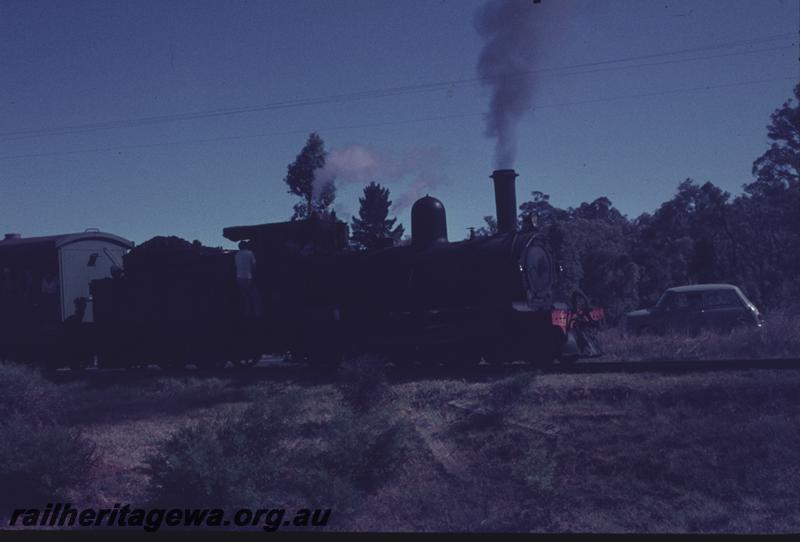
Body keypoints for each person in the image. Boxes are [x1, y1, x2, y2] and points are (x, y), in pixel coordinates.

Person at [235, 241, 262, 318]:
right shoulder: (250, 253)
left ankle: (247, 314)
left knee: (245, 298)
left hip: (239, 278)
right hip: (248, 277)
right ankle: (258, 315)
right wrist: (254, 278)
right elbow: (253, 267)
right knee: (255, 298)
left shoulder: (237, 254)